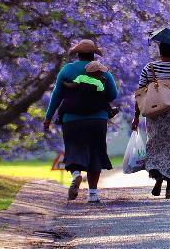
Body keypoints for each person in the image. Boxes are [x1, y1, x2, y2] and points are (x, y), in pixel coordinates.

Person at [44, 39, 118, 203]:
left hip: (72, 120)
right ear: (93, 55)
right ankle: (93, 194)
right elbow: (113, 95)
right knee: (95, 153)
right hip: (97, 120)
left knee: (73, 149)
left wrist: (48, 118)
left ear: (77, 54)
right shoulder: (101, 71)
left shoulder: (67, 69)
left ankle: (76, 175)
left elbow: (57, 96)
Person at [133, 42, 170, 199]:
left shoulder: (149, 67)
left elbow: (140, 93)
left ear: (160, 51)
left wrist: (136, 117)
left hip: (155, 112)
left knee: (155, 144)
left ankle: (158, 175)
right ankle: (169, 189)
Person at [56, 61, 120, 121]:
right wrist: (103, 83)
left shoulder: (81, 77)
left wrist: (64, 83)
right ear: (98, 74)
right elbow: (102, 94)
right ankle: (110, 112)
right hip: (92, 105)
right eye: (102, 73)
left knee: (65, 102)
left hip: (78, 102)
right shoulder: (98, 83)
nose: (102, 74)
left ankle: (60, 117)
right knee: (104, 100)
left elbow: (72, 85)